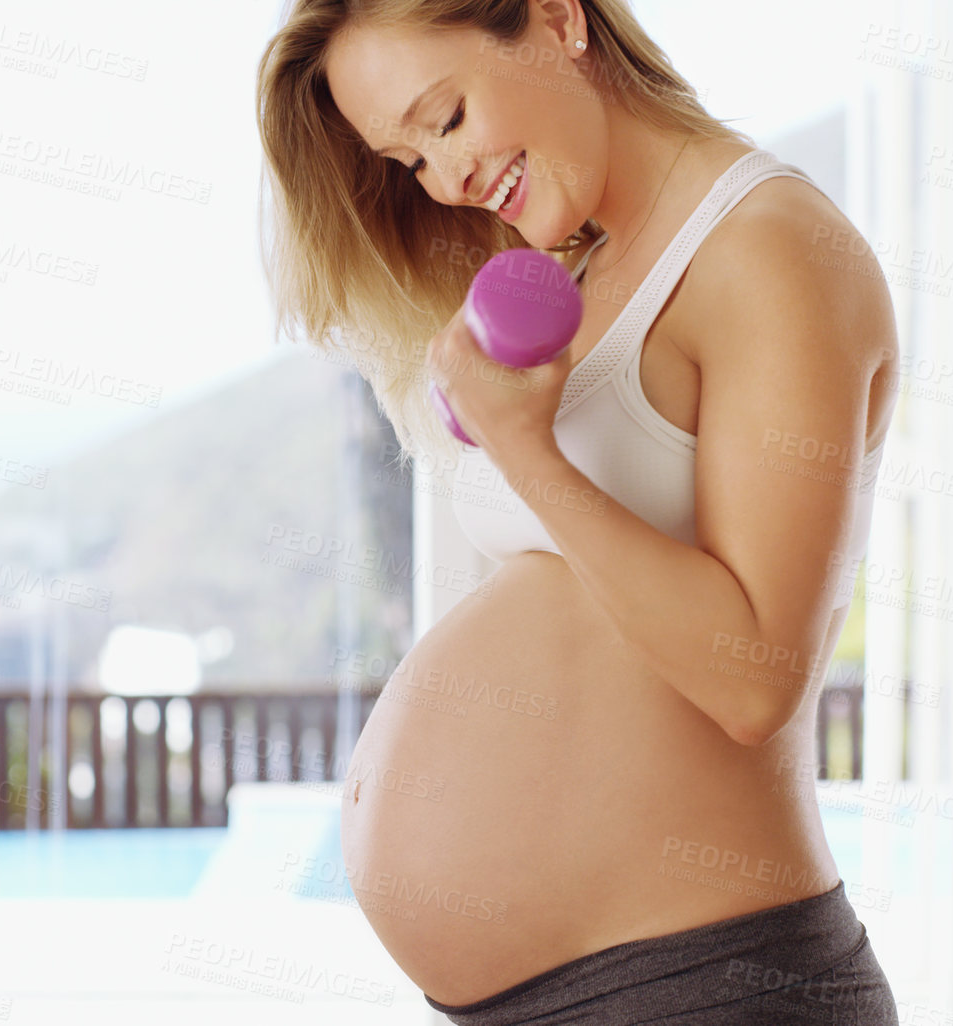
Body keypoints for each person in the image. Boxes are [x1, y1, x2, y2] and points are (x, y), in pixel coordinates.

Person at [258, 1, 901, 1021]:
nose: (446, 176)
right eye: (409, 159)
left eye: (448, 116)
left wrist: (523, 447)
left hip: (703, 985)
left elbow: (755, 679)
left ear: (556, 18)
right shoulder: (578, 269)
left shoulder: (770, 249)